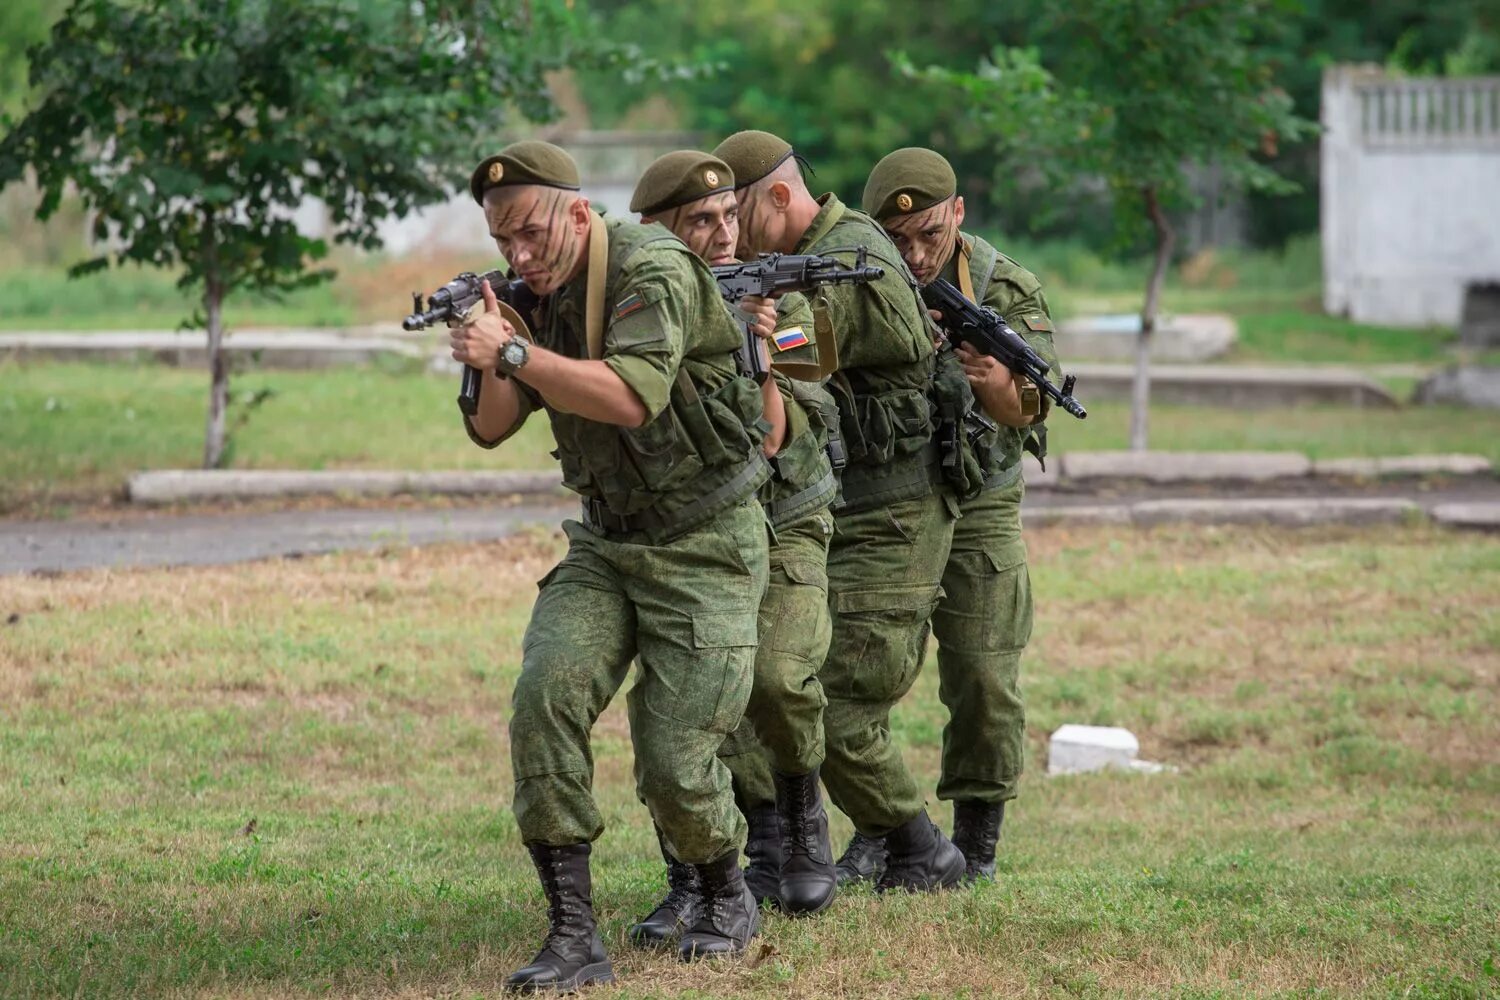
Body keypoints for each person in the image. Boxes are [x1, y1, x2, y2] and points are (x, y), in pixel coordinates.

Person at [450, 140, 770, 987]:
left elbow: (632, 397)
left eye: (529, 233)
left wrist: (516, 354)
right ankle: (571, 933)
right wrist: (492, 352)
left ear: (579, 214)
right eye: (502, 241)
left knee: (673, 759)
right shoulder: (532, 292)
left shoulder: (652, 268)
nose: (519, 255)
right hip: (606, 540)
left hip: (704, 538)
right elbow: (492, 427)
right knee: (545, 696)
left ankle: (723, 889)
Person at [713, 130, 970, 892]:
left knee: (843, 704)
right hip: (828, 505)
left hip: (895, 511)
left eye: (737, 211)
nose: (726, 228)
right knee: (763, 676)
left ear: (780, 198)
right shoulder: (807, 260)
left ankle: (918, 846)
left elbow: (802, 356)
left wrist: (743, 320)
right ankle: (787, 847)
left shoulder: (850, 258)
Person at [622, 150, 841, 936]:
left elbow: (782, 419)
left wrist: (760, 348)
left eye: (726, 217)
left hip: (784, 514)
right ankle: (699, 870)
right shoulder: (636, 297)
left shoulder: (773, 287)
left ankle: (800, 822)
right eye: (699, 223)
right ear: (658, 231)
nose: (721, 237)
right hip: (687, 528)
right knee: (680, 701)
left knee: (778, 678)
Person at [841, 146, 1060, 884]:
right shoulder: (859, 280)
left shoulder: (1005, 287)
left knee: (985, 674)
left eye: (929, 234)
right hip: (888, 501)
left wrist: (998, 386)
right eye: (896, 239)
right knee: (861, 668)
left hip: (981, 500)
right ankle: (883, 828)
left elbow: (1029, 409)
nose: (914, 252)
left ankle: (979, 842)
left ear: (958, 215)